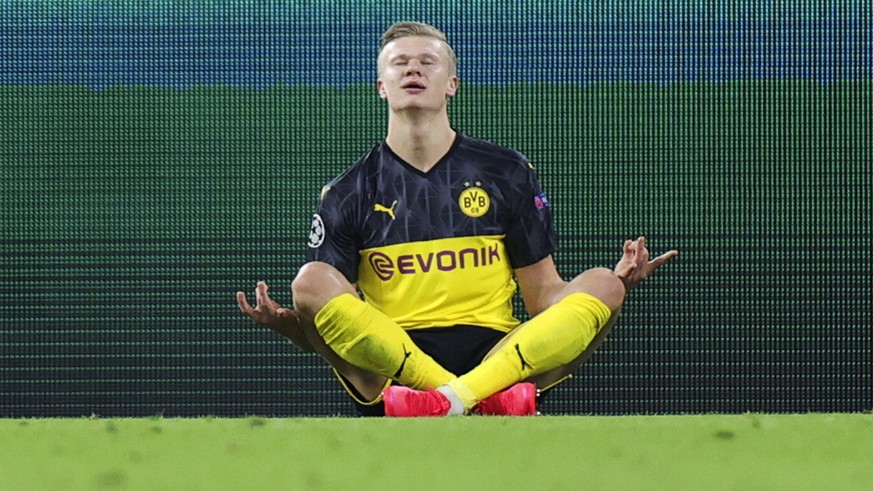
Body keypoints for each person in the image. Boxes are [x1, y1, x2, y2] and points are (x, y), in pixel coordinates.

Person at [236, 21, 678, 417]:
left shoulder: (505, 171)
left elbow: (544, 297)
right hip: (398, 369)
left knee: (602, 282)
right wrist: (294, 326)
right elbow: (344, 330)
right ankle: (466, 399)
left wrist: (617, 284)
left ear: (451, 84)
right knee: (310, 280)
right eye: (400, 63)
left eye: (428, 61)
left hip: (498, 355)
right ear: (381, 86)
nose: (413, 69)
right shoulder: (348, 191)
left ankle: (450, 400)